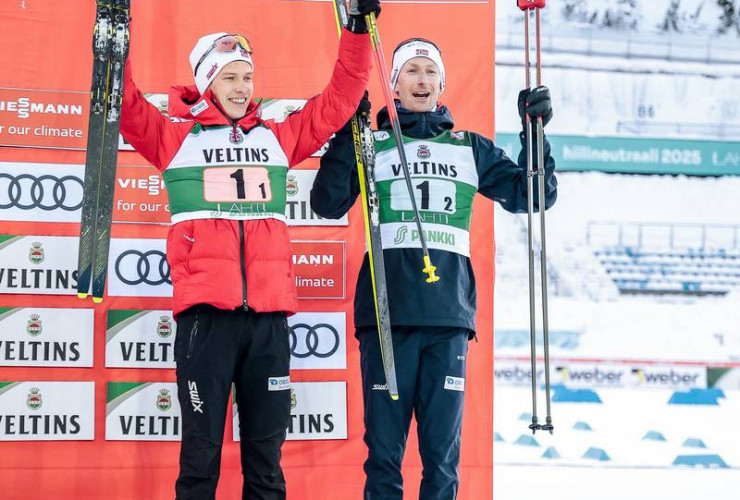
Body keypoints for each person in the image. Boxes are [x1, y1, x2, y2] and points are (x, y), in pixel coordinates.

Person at [119, 2, 380, 499]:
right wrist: (117, 33)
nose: (242, 88)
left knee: (266, 464)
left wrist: (356, 30)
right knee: (200, 461)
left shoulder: (277, 139)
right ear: (206, 81)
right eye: (230, 78)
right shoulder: (175, 138)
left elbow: (341, 97)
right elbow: (125, 102)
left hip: (268, 323)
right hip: (205, 322)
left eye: (247, 78)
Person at [311, 37, 557, 499]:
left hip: (447, 321)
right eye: (411, 71)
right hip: (387, 318)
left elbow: (535, 195)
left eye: (430, 72)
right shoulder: (373, 144)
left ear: (441, 84)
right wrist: (347, 131)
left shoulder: (470, 148)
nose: (422, 80)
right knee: (384, 455)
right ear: (394, 85)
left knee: (442, 459)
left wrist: (535, 132)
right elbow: (326, 203)